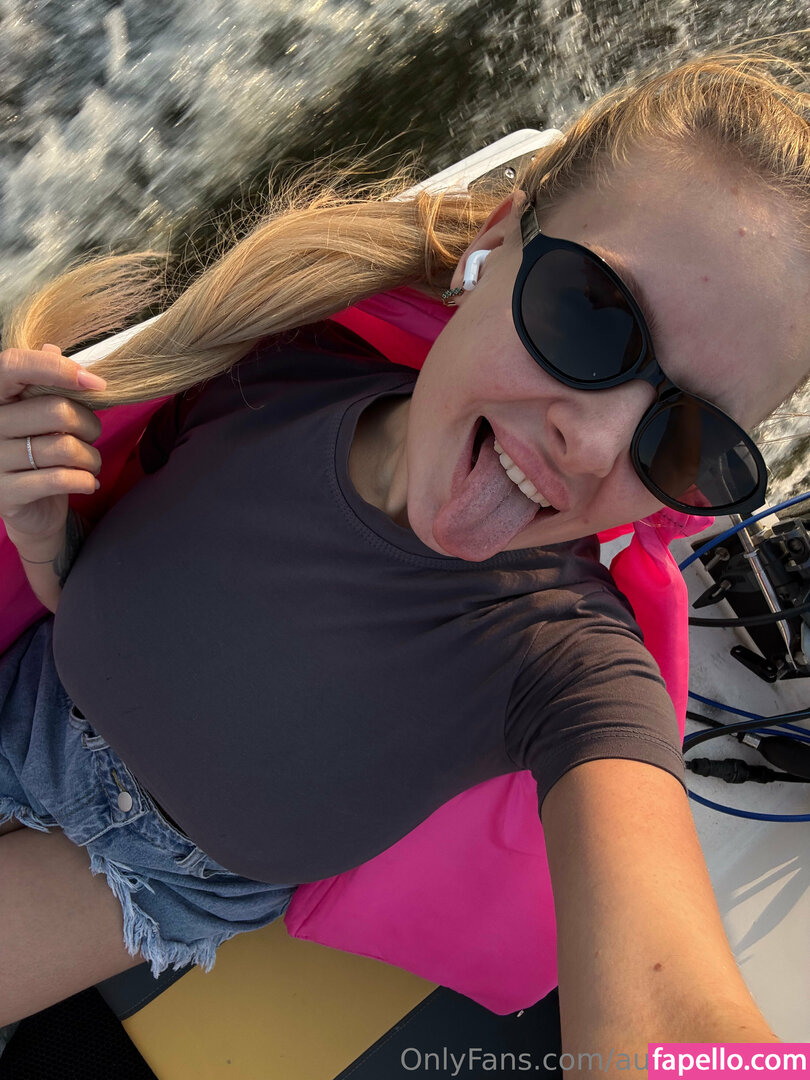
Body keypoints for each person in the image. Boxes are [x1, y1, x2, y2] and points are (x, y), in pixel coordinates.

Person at [0, 41, 806, 1072]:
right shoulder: (280, 360)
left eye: (690, 439)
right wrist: (44, 533)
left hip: (144, 872)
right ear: (498, 241)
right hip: (30, 691)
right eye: (592, 318)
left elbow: (663, 1033)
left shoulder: (574, 671)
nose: (596, 442)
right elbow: (134, 597)